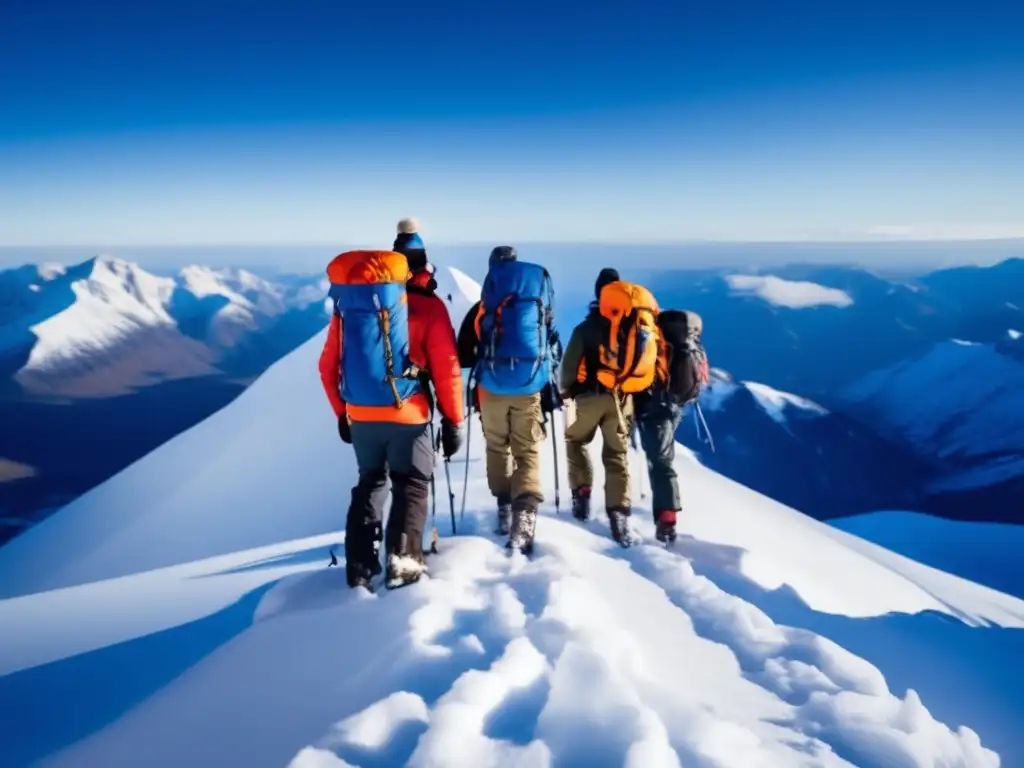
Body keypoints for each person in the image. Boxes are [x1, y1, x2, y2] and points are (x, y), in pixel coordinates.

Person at [319, 219, 465, 590]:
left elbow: (327, 366)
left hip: (362, 412)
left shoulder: (352, 309)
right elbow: (447, 371)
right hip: (409, 413)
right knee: (412, 484)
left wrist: (342, 413)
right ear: (423, 268)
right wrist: (453, 421)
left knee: (371, 482)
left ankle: (361, 568)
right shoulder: (431, 309)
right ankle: (403, 564)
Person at [458, 246, 560, 552]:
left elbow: (463, 354)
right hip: (529, 387)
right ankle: (525, 516)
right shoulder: (537, 304)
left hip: (490, 389)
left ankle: (504, 506)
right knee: (527, 451)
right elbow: (551, 343)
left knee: (497, 446)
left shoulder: (482, 310)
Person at [559, 268, 658, 547]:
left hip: (587, 398)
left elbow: (568, 368)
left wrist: (566, 392)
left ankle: (582, 492)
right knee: (617, 456)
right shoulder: (635, 326)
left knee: (575, 440)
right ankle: (619, 514)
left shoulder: (586, 328)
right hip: (622, 399)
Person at [634, 309, 709, 543]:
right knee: (661, 459)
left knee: (660, 463)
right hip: (675, 406)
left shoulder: (654, 343)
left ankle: (667, 520)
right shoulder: (687, 345)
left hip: (654, 408)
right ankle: (664, 517)